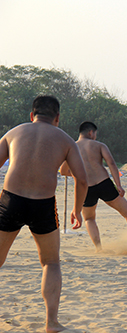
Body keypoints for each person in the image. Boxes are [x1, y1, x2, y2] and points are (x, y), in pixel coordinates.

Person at [0, 96, 88, 333]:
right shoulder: (66, 140)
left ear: (32, 115)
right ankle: (51, 323)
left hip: (11, 200)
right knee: (50, 262)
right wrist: (77, 210)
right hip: (43, 205)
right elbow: (82, 179)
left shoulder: (13, 133)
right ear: (57, 118)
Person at [60, 121, 127, 251]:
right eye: (95, 133)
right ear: (91, 132)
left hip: (86, 187)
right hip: (104, 183)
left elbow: (63, 171)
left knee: (89, 219)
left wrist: (78, 176)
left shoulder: (72, 147)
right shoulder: (99, 145)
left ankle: (99, 248)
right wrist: (119, 185)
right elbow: (111, 163)